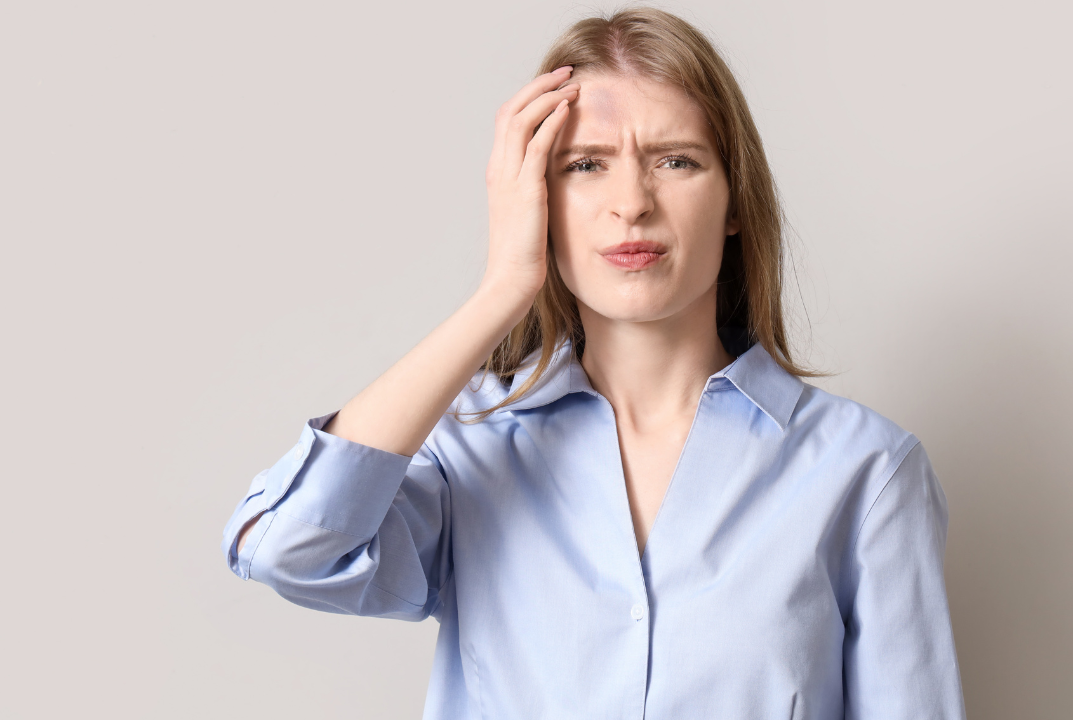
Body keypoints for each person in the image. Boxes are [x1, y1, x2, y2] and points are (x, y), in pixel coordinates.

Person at [221, 8, 966, 719]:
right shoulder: (468, 453)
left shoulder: (865, 471)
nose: (632, 202)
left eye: (676, 160)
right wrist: (502, 290)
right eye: (585, 165)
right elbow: (290, 548)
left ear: (735, 199)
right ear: (536, 200)